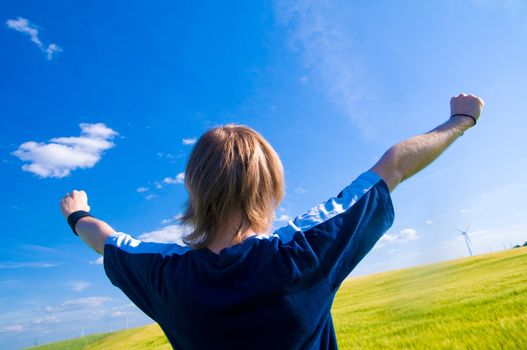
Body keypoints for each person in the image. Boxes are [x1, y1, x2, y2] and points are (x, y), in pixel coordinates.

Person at [60, 93, 484, 349]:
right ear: (271, 187)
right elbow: (392, 168)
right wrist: (459, 121)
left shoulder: (163, 274)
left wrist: (77, 211)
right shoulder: (304, 252)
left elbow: (106, 239)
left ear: (194, 190)